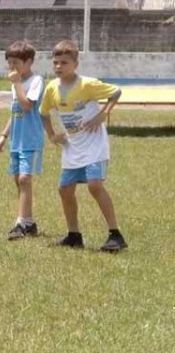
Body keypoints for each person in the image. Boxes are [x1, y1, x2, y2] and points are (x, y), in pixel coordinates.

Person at [39, 40, 127, 252]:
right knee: (64, 189)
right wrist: (52, 135)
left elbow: (116, 92)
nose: (59, 66)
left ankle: (116, 235)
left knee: (95, 185)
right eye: (56, 62)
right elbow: (43, 113)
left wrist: (102, 115)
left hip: (94, 145)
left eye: (64, 62)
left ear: (75, 64)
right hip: (72, 147)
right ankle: (74, 235)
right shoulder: (52, 88)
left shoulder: (87, 84)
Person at [0, 41, 46, 240]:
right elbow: (15, 112)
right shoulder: (15, 84)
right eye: (9, 63)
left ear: (29, 62)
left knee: (25, 179)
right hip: (17, 140)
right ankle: (29, 222)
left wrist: (16, 83)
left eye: (16, 63)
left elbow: (27, 106)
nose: (12, 67)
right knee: (18, 180)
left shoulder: (36, 81)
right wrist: (4, 135)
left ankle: (20, 224)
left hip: (30, 140)